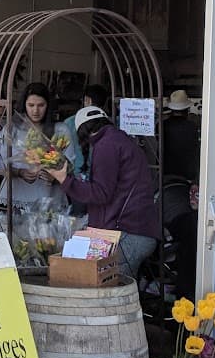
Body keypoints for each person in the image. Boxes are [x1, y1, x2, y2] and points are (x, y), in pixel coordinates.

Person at [52, 106, 160, 277]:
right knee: (122, 289)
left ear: (81, 132)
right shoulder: (119, 140)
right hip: (138, 231)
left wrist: (65, 180)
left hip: (127, 233)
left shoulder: (106, 145)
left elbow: (101, 193)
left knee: (113, 292)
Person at [9, 83, 65, 209]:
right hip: (17, 195)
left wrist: (55, 176)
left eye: (41, 105)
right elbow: (0, 164)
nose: (35, 110)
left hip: (50, 196)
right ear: (24, 105)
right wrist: (19, 172)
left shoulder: (60, 129)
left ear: (48, 106)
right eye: (31, 105)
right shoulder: (12, 129)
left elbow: (70, 166)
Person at [58, 84, 109, 178]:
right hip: (101, 177)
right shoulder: (108, 124)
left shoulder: (69, 123)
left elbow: (60, 152)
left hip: (74, 177)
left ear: (87, 100)